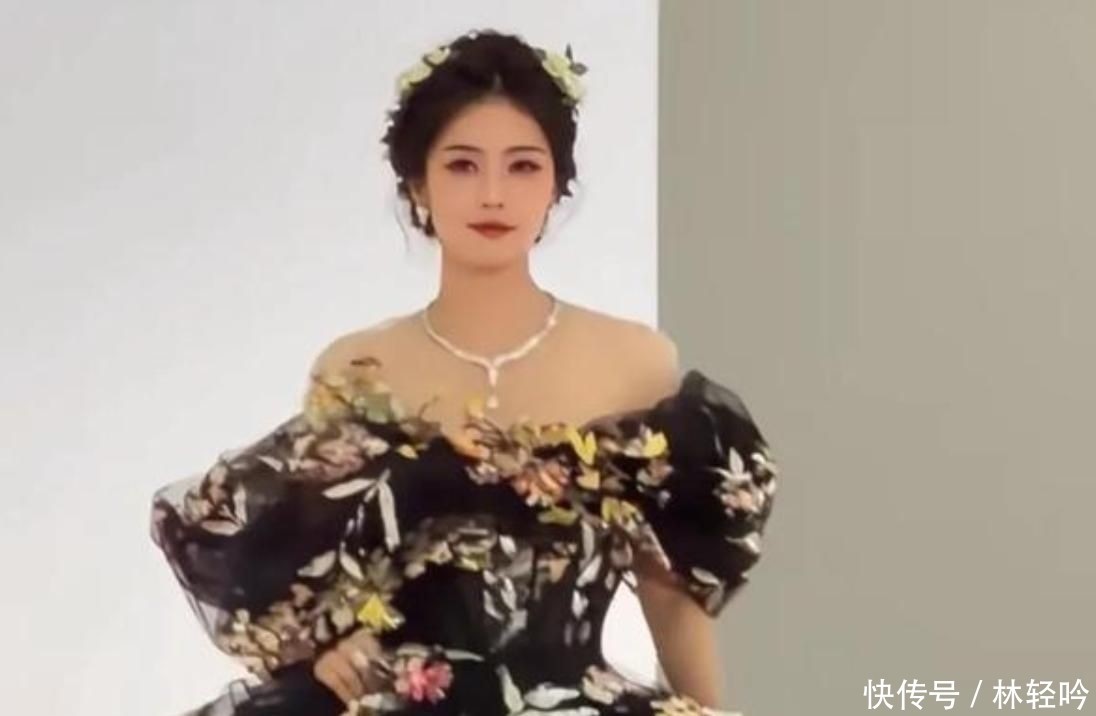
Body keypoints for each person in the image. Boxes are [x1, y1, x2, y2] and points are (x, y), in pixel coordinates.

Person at [150, 29, 779, 716]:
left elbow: (669, 588)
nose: (493, 195)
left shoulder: (637, 363)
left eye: (522, 166)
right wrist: (322, 649)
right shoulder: (359, 369)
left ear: (556, 185)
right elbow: (293, 572)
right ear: (417, 183)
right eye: (462, 166)